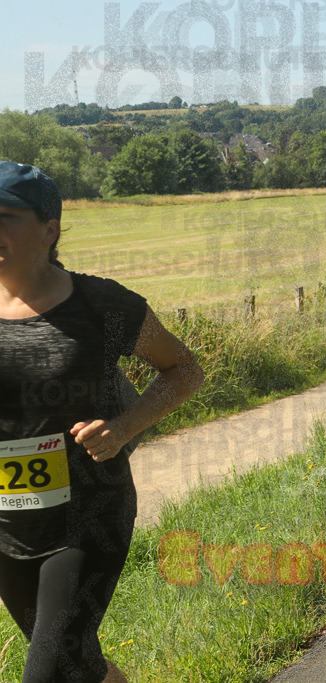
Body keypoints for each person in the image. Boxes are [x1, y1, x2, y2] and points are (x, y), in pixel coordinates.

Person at [0, 161, 204, 682]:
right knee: (77, 663)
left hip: (88, 514)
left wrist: (124, 427)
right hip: (7, 522)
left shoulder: (101, 305)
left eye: (5, 217)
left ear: (49, 230)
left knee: (48, 670)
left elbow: (184, 370)